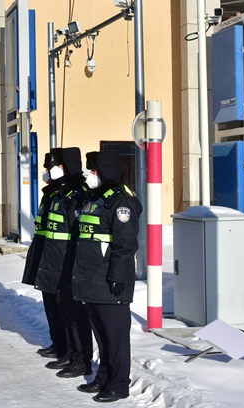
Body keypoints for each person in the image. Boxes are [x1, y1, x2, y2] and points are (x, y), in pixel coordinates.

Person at [72, 150, 142, 403]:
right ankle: (103, 377)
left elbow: (125, 246)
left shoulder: (119, 202)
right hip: (92, 279)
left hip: (110, 282)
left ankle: (119, 384)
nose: (90, 175)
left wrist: (117, 278)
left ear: (106, 172)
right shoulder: (95, 199)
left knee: (116, 338)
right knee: (102, 337)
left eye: (94, 170)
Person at [35, 147, 93, 378]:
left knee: (73, 314)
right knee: (58, 308)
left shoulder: (76, 193)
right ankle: (65, 349)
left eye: (53, 167)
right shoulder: (56, 192)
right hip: (52, 258)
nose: (48, 171)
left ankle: (77, 356)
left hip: (66, 261)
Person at [21, 152, 67, 359]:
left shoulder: (70, 194)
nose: (48, 172)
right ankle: (57, 343)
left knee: (62, 307)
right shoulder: (49, 193)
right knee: (50, 304)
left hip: (60, 258)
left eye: (52, 168)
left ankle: (66, 348)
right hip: (45, 255)